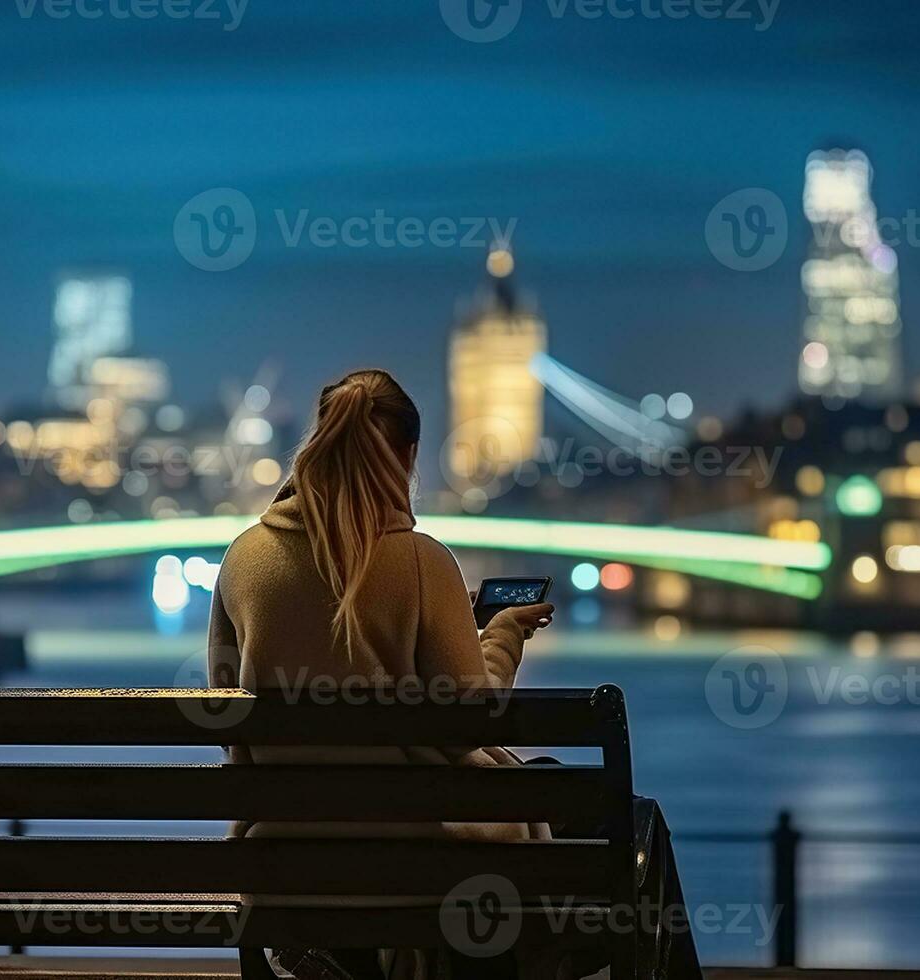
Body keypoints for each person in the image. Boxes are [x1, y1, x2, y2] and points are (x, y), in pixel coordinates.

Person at [206, 368, 698, 980]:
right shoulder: (422, 561)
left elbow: (232, 719)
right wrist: (500, 637)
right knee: (631, 819)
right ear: (408, 456)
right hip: (426, 861)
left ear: (319, 443)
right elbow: (470, 722)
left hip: (287, 863)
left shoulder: (243, 560)